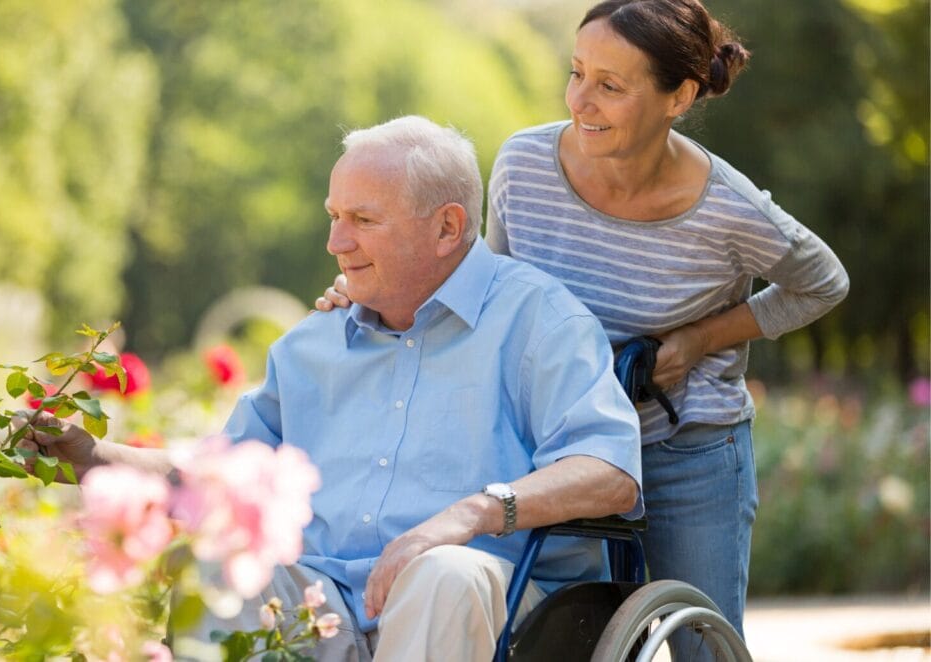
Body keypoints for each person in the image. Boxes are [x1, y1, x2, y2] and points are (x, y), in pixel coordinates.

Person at [317, 0, 850, 655]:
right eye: (576, 74)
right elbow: (487, 289)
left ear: (677, 96)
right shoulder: (525, 164)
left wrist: (700, 340)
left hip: (681, 438)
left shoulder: (728, 209)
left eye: (610, 86)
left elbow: (823, 282)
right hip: (556, 440)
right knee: (562, 633)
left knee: (702, 648)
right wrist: (371, 288)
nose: (580, 101)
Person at [25, 115, 644, 661]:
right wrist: (98, 458)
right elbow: (223, 475)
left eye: (363, 220)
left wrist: (467, 514)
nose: (335, 243)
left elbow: (609, 470)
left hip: (495, 612)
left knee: (443, 573)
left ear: (447, 227)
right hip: (325, 604)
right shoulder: (309, 345)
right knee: (211, 563)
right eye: (334, 217)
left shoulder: (539, 321)